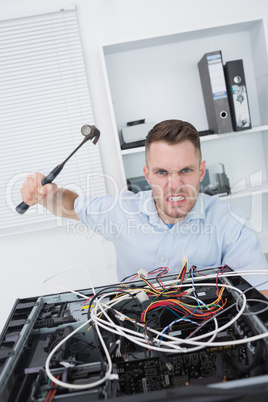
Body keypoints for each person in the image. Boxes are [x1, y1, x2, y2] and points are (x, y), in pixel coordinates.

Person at [20, 119, 268, 296]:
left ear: (201, 171)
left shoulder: (230, 223)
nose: (175, 185)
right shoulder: (122, 210)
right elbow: (72, 207)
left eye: (186, 170)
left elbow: (262, 293)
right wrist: (48, 195)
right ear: (147, 175)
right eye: (162, 172)